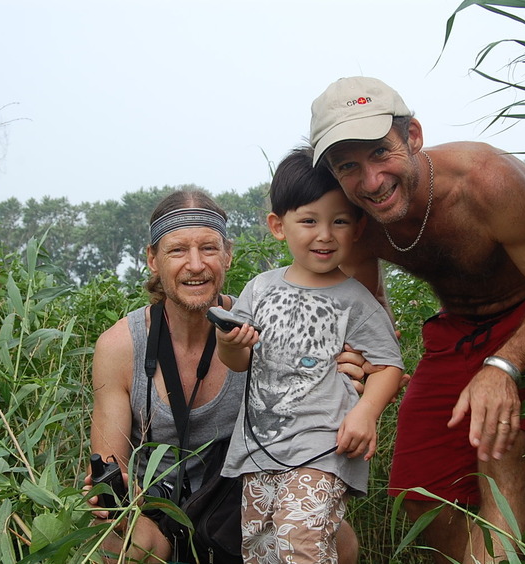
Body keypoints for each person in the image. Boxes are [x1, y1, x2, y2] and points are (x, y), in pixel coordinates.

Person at [309, 76, 525, 563]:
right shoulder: (358, 221)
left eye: (381, 153)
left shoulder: (487, 183)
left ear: (414, 136)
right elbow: (367, 303)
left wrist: (504, 368)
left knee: (498, 441)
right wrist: (372, 360)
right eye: (349, 167)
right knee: (416, 492)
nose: (372, 181)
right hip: (454, 336)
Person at [85, 189, 363, 563]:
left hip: (242, 502)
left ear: (228, 255)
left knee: (341, 542)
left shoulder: (268, 328)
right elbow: (109, 460)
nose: (196, 265)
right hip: (157, 509)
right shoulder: (121, 347)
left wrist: (354, 381)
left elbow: (327, 403)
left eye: (209, 249)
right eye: (178, 250)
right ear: (153, 259)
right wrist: (117, 496)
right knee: (115, 545)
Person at [215, 147, 404, 563]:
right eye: (309, 221)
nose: (324, 234)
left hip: (324, 451)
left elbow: (390, 364)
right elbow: (238, 361)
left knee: (300, 539)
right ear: (278, 226)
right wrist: (229, 345)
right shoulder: (259, 289)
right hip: (257, 450)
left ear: (357, 228)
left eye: (339, 221)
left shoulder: (356, 301)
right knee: (263, 549)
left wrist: (366, 412)